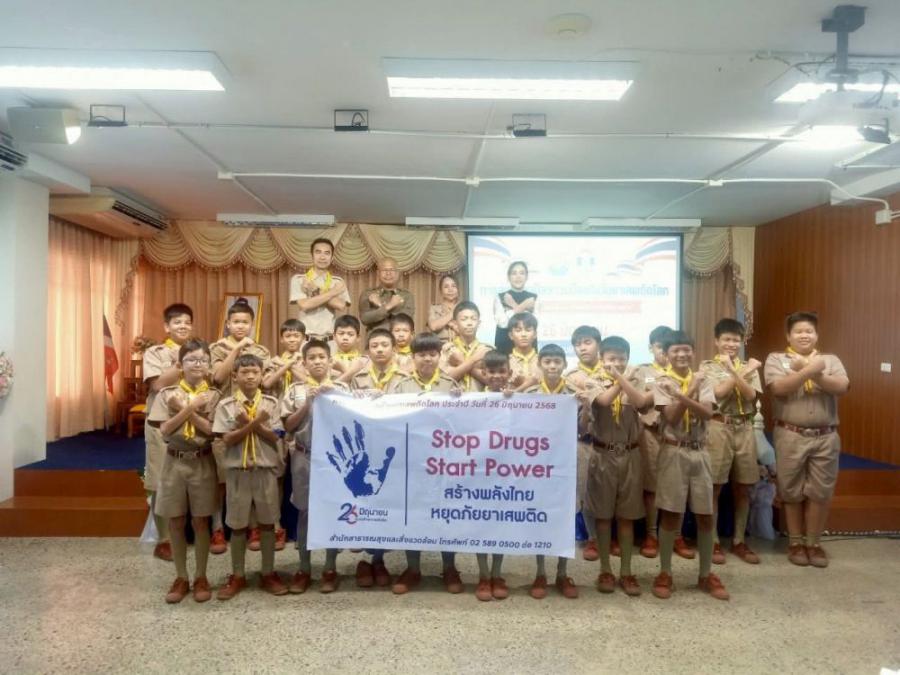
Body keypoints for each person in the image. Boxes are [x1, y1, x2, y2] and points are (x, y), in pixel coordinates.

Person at [764, 311, 849, 568]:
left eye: (809, 331)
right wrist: (810, 369)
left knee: (820, 492)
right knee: (790, 491)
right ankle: (795, 543)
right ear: (788, 336)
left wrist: (813, 371)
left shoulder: (830, 360)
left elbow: (842, 387)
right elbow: (779, 388)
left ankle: (813, 543)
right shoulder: (777, 359)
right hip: (790, 434)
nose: (804, 335)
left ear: (816, 335)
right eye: (799, 331)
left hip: (826, 436)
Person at [651, 330, 729, 601]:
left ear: (693, 352)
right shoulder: (661, 382)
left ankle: (705, 574)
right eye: (675, 350)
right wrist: (691, 390)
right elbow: (672, 417)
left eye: (686, 349)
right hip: (673, 450)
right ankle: (665, 572)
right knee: (671, 514)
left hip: (700, 451)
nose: (682, 354)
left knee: (705, 514)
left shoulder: (703, 379)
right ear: (666, 354)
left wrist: (686, 391)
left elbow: (707, 413)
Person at [388, 332, 463, 595]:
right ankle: (413, 568)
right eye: (422, 354)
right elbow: (390, 420)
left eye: (432, 354)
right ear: (413, 357)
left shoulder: (452, 386)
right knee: (413, 514)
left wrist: (461, 402)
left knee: (446, 514)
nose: (427, 359)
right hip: (413, 461)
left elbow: (464, 423)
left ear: (439, 356)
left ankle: (450, 567)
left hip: (444, 462)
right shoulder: (401, 386)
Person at [147, 339, 220, 603]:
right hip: (174, 462)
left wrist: (185, 410)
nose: (197, 364)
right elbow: (165, 430)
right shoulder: (167, 394)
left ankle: (201, 576)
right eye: (191, 360)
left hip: (202, 460)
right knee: (176, 520)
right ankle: (181, 576)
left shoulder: (214, 396)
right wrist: (189, 407)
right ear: (180, 364)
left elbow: (211, 430)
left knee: (201, 521)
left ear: (209, 365)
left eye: (202, 360)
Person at [213, 353, 286, 600]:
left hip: (265, 471)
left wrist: (251, 422)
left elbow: (275, 436)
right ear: (234, 376)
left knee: (267, 523)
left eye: (255, 372)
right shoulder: (226, 405)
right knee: (237, 526)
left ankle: (268, 572)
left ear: (262, 375)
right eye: (245, 372)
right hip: (238, 472)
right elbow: (227, 439)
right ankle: (238, 574)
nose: (250, 376)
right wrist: (254, 423)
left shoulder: (271, 403)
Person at [585, 336, 653, 597]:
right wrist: (617, 379)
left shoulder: (637, 379)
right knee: (603, 516)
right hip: (603, 455)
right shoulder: (591, 379)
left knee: (627, 516)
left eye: (621, 359)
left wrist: (623, 379)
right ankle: (605, 569)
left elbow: (642, 403)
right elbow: (603, 402)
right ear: (601, 359)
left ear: (628, 359)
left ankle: (626, 570)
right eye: (611, 359)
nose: (616, 363)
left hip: (630, 454)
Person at [281, 338, 348, 593]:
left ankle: (330, 567)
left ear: (330, 361)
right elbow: (288, 426)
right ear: (304, 363)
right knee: (305, 512)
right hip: (304, 456)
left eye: (322, 357)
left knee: (332, 510)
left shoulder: (342, 388)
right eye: (312, 358)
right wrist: (308, 403)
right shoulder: (295, 390)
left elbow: (354, 419)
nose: (317, 362)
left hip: (334, 459)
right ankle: (304, 568)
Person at [209, 300, 272, 554]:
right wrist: (236, 350)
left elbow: (264, 382)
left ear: (252, 324)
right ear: (227, 324)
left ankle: (253, 527)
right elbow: (218, 377)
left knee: (252, 476)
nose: (240, 326)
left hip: (254, 418)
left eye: (245, 322)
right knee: (222, 479)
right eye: (236, 322)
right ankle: (217, 528)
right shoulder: (217, 348)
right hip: (227, 418)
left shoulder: (261, 351)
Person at [700, 318, 763, 565]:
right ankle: (713, 540)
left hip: (745, 427)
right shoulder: (707, 367)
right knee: (715, 486)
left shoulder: (749, 366)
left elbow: (751, 395)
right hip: (718, 426)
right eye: (726, 339)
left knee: (743, 486)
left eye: (736, 340)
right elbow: (718, 394)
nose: (731, 344)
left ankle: (739, 540)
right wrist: (742, 372)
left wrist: (739, 370)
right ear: (716, 341)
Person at [347, 328, 407, 589]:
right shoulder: (357, 378)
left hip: (393, 447)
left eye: (385, 344)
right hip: (364, 447)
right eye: (374, 345)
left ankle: (379, 558)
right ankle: (364, 559)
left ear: (394, 348)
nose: (380, 349)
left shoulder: (404, 379)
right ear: (367, 350)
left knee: (386, 501)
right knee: (365, 499)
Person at [633, 325, 695, 560]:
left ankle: (677, 535)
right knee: (652, 487)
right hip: (651, 433)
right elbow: (638, 402)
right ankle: (651, 534)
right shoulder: (643, 371)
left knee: (678, 486)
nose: (662, 352)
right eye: (658, 347)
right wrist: (661, 385)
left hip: (678, 435)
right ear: (651, 348)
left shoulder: (686, 372)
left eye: (666, 348)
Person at [523, 343, 579, 599]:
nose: (553, 366)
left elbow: (586, 427)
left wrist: (584, 407)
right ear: (540, 365)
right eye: (548, 362)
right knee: (541, 516)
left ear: (565, 364)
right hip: (538, 463)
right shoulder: (530, 394)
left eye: (557, 362)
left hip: (566, 463)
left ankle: (562, 572)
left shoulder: (574, 393)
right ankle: (541, 572)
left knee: (564, 517)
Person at [142, 302, 194, 562]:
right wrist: (184, 363)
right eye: (177, 322)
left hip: (192, 421)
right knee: (159, 478)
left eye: (187, 322)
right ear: (166, 326)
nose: (183, 326)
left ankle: (186, 533)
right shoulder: (155, 352)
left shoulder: (198, 350)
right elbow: (157, 384)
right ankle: (164, 539)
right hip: (161, 422)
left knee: (189, 478)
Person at [258, 318, 309, 552]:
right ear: (281, 338)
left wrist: (295, 366)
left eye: (296, 336)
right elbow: (267, 382)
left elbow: (309, 381)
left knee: (302, 477)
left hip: (300, 423)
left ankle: (303, 528)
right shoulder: (273, 361)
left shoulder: (308, 360)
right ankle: (277, 526)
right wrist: (285, 365)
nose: (292, 339)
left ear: (303, 338)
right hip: (277, 422)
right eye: (288, 336)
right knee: (277, 476)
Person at [474, 350, 514, 601]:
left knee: (500, 521)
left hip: (508, 469)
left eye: (502, 371)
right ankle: (483, 574)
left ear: (509, 373)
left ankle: (497, 573)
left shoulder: (519, 399)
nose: (497, 376)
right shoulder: (473, 399)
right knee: (481, 521)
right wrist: (455, 399)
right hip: (479, 470)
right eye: (491, 372)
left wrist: (515, 398)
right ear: (483, 373)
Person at [563, 325, 603, 562]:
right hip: (584, 440)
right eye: (578, 344)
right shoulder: (570, 377)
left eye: (587, 342)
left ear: (599, 344)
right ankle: (592, 538)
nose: (582, 348)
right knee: (586, 491)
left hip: (611, 441)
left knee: (611, 491)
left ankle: (611, 536)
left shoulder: (612, 369)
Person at [289, 237, 351, 341]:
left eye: (327, 253)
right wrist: (333, 292)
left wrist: (316, 290)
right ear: (312, 256)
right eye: (318, 252)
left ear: (332, 258)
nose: (322, 257)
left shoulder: (337, 281)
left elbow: (340, 305)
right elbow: (304, 305)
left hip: (330, 340)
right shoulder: (299, 279)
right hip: (306, 339)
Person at [439, 301, 492, 392]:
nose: (469, 323)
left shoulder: (487, 350)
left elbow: (493, 381)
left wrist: (461, 362)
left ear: (479, 323)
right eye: (464, 319)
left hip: (481, 400)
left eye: (473, 319)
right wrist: (474, 360)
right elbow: (444, 381)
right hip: (454, 399)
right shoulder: (448, 349)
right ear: (455, 324)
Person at [358, 258, 415, 333]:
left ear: (398, 273)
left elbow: (405, 319)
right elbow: (365, 319)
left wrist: (379, 306)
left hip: (399, 338)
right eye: (385, 270)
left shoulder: (406, 295)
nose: (388, 273)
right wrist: (390, 306)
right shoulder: (368, 294)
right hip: (375, 337)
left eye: (392, 270)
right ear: (378, 273)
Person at [493, 260, 537, 355]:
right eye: (514, 273)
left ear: (527, 277)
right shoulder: (501, 297)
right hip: (504, 343)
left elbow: (533, 323)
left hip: (528, 346)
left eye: (522, 273)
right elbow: (503, 323)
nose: (518, 276)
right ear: (508, 277)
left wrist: (513, 305)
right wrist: (523, 306)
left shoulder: (533, 298)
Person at [507, 312, 541, 391]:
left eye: (528, 330)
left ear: (535, 334)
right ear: (511, 335)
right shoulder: (505, 362)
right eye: (518, 330)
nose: (523, 334)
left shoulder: (543, 362)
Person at [331, 314, 367, 379]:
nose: (345, 338)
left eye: (350, 334)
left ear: (358, 337)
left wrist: (342, 368)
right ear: (334, 336)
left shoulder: (364, 361)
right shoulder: (329, 361)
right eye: (341, 333)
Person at [427, 274, 461, 343]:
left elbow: (468, 332)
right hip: (439, 346)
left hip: (460, 346)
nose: (450, 289)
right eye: (446, 287)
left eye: (453, 286)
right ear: (441, 291)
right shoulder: (434, 308)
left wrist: (453, 326)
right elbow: (433, 326)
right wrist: (453, 312)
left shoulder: (464, 308)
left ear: (458, 289)